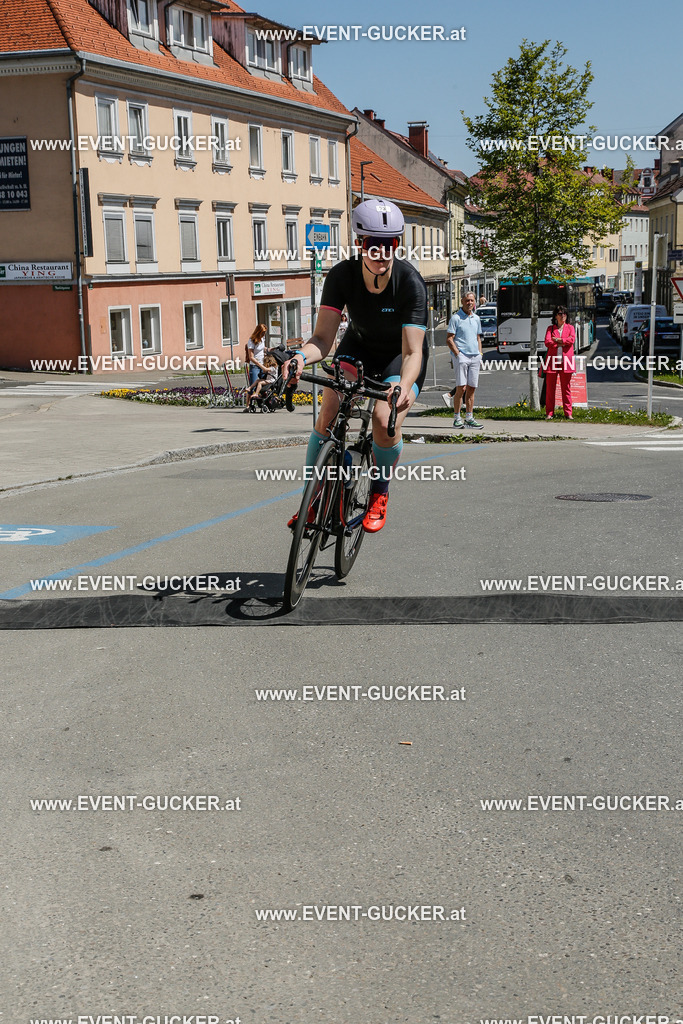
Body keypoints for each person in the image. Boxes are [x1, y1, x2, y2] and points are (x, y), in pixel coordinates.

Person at [284, 197, 428, 533]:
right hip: (358, 347)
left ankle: (379, 492)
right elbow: (322, 340)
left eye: (389, 244)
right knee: (329, 407)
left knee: (382, 418)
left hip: (399, 358)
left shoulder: (410, 283)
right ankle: (313, 494)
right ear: (359, 244)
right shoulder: (341, 276)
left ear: (397, 244)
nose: (381, 253)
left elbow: (413, 353)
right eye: (372, 245)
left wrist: (402, 387)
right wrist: (299, 358)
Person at [445, 292, 483, 428]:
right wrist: (457, 354)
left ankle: (469, 417)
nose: (470, 303)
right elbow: (449, 338)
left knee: (472, 388)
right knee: (461, 388)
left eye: (472, 300)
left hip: (474, 356)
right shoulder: (456, 318)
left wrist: (480, 353)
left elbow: (478, 337)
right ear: (462, 301)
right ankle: (457, 417)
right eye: (467, 300)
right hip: (462, 356)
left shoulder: (476, 318)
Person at [543, 305, 575, 419]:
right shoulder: (550, 329)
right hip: (552, 361)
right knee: (550, 388)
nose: (563, 316)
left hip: (566, 361)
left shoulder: (570, 327)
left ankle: (568, 413)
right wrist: (562, 343)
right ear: (556, 316)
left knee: (566, 388)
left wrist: (558, 340)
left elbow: (571, 340)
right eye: (560, 314)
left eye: (564, 314)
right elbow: (547, 342)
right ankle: (549, 413)